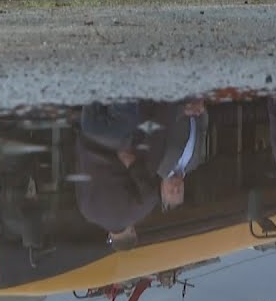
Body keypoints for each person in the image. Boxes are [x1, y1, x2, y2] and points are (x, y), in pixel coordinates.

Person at [75, 100, 209, 248]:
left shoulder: (137, 211)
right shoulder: (86, 212)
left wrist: (132, 164)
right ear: (110, 235)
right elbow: (81, 172)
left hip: (120, 134)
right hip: (89, 131)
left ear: (133, 232)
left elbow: (148, 190)